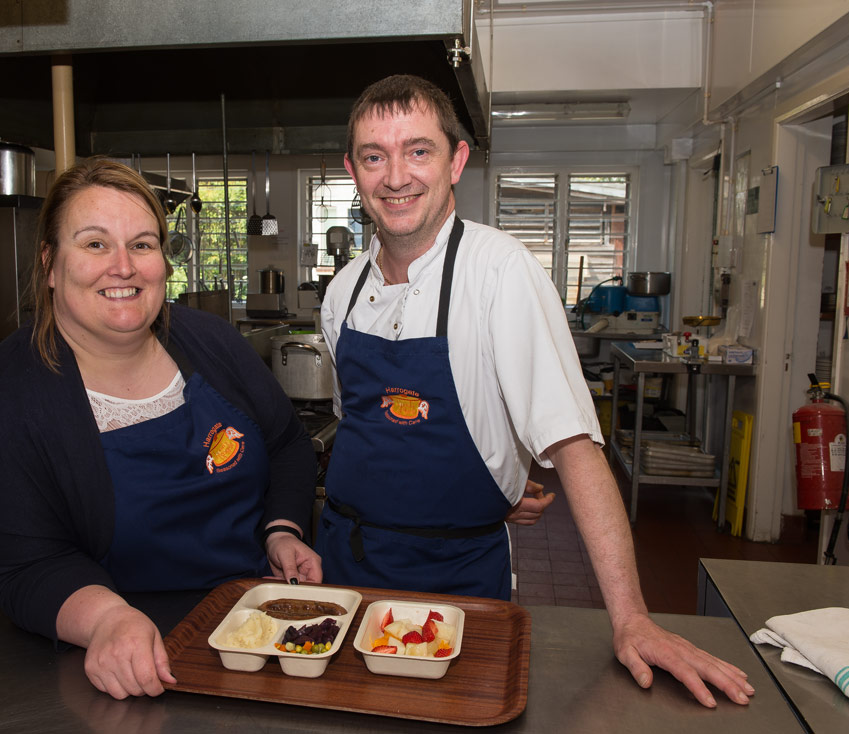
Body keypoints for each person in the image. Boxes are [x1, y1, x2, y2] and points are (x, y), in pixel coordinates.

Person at [315, 74, 754, 709]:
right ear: (353, 170)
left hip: (454, 582)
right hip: (348, 572)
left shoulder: (501, 273)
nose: (396, 177)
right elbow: (363, 422)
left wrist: (630, 617)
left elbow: (576, 447)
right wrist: (503, 471)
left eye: (418, 151)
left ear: (456, 160)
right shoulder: (343, 290)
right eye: (374, 156)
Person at [0, 157, 321, 700]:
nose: (123, 266)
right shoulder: (5, 398)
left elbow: (287, 443)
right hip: (123, 662)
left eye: (143, 244)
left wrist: (281, 531)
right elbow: (25, 566)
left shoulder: (211, 342)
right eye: (96, 244)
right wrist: (105, 619)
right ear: (51, 264)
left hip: (260, 636)